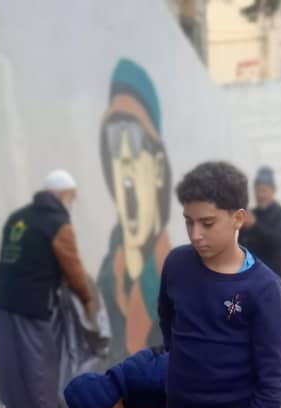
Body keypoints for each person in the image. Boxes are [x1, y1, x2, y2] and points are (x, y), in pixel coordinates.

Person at [157, 161, 281, 408]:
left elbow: (273, 376)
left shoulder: (265, 289)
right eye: (188, 223)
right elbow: (168, 323)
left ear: (238, 218)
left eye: (207, 223)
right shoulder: (177, 264)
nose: (195, 235)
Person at [0, 170, 93, 408]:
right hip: (34, 305)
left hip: (3, 303)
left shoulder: (18, 218)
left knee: (12, 367)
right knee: (41, 368)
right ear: (63, 194)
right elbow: (73, 269)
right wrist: (87, 300)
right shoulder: (58, 223)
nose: (72, 202)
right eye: (72, 196)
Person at [97, 59, 172, 364]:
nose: (124, 157)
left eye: (135, 138)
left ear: (156, 166)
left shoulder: (172, 270)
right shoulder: (107, 272)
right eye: (115, 139)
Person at [238, 166, 281, 289]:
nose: (260, 195)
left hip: (278, 282)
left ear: (273, 191)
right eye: (257, 190)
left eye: (264, 190)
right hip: (254, 282)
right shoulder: (251, 215)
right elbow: (241, 247)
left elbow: (280, 240)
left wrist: (255, 226)